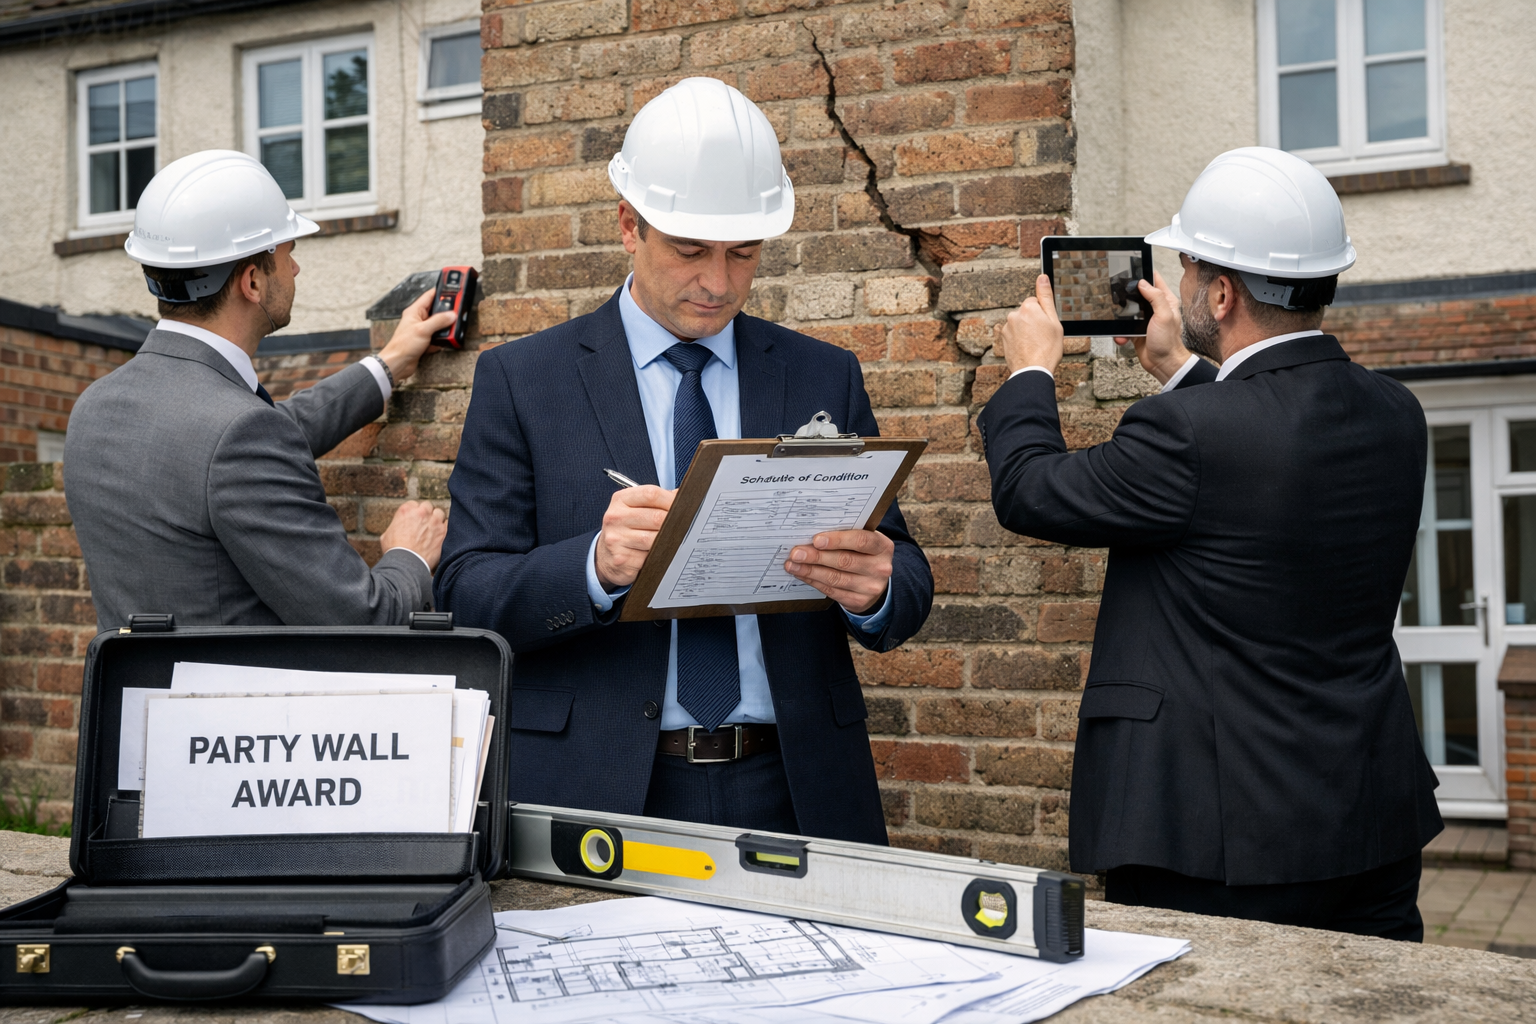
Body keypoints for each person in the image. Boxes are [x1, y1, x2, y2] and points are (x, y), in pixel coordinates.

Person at [436, 78, 933, 843]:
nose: (720, 282)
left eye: (744, 253)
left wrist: (875, 588)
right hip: (597, 787)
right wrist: (594, 567)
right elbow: (466, 596)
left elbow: (903, 574)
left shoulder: (820, 374)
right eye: (691, 250)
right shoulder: (524, 380)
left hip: (796, 783)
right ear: (629, 225)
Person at [978, 147, 1442, 939]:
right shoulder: (1395, 412)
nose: (1182, 283)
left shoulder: (1187, 434)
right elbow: (1261, 467)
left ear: (1221, 293)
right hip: (1368, 821)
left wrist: (1031, 373)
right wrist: (1184, 371)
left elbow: (1030, 491)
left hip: (1216, 842)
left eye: (1189, 268)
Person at [67, 150, 451, 629]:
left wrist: (388, 364)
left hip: (131, 702)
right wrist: (408, 557)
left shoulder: (94, 408)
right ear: (251, 280)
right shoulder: (238, 434)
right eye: (287, 254)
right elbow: (364, 617)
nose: (294, 271)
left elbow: (253, 440)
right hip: (237, 702)